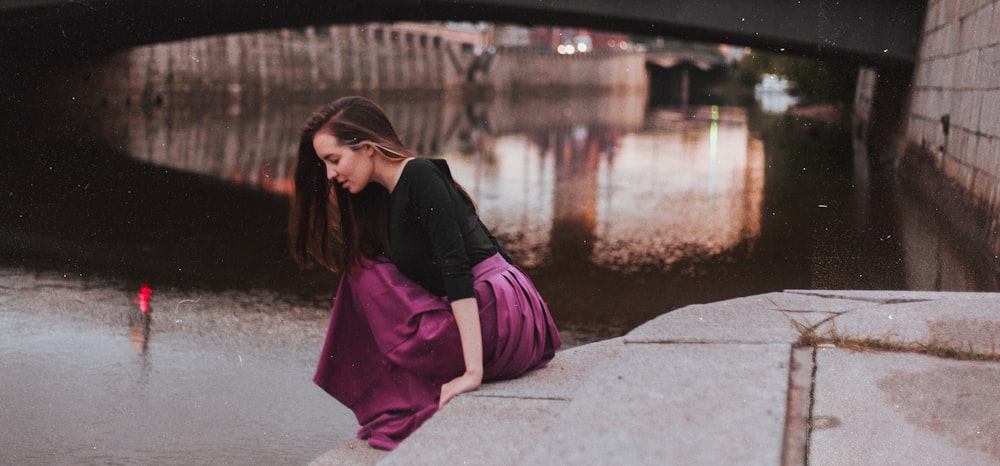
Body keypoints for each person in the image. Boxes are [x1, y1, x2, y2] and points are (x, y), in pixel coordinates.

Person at [289, 96, 561, 450]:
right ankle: (393, 395)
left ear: (368, 147)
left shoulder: (419, 175)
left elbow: (457, 269)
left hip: (499, 314)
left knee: (364, 274)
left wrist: (472, 374)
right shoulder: (380, 195)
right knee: (364, 268)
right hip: (495, 313)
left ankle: (399, 394)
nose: (330, 174)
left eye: (334, 160)